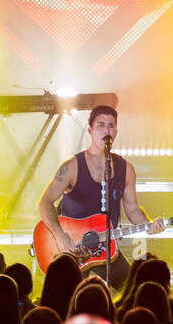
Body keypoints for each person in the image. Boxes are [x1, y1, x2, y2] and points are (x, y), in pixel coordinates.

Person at [36, 105, 164, 291]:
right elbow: (45, 202)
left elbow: (133, 208)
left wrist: (150, 224)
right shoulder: (71, 167)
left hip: (107, 249)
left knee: (132, 293)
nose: (106, 130)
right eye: (101, 125)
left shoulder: (126, 169)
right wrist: (60, 236)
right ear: (90, 130)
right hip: (73, 250)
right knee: (67, 299)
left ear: (116, 131)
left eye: (111, 126)